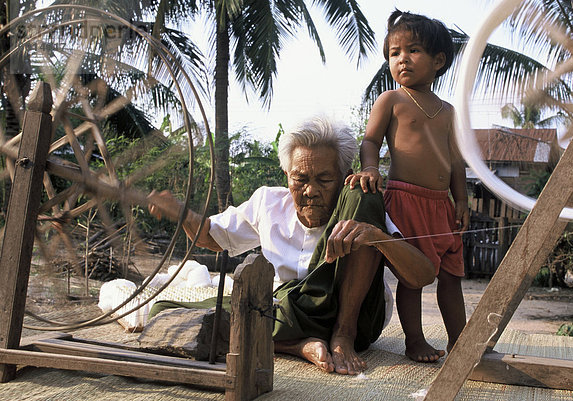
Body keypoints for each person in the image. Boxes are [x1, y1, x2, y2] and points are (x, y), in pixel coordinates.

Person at [148, 116, 435, 375]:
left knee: (365, 192)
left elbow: (422, 276)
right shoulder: (268, 202)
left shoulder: (356, 201)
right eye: (300, 179)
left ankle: (341, 335)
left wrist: (375, 236)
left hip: (354, 319)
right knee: (167, 312)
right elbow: (211, 236)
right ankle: (297, 345)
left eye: (324, 179)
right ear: (287, 175)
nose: (310, 191)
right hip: (288, 313)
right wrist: (182, 213)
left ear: (344, 174)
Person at [346, 11, 469, 363]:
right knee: (412, 278)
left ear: (438, 60)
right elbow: (370, 141)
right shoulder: (391, 101)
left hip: (441, 205)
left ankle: (462, 341)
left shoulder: (447, 112)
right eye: (394, 53)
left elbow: (456, 161)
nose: (401, 59)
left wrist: (460, 200)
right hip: (405, 201)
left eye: (412, 50)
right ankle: (414, 341)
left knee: (451, 276)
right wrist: (370, 168)